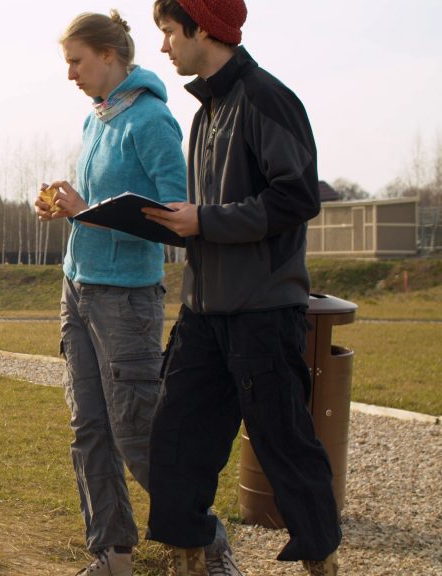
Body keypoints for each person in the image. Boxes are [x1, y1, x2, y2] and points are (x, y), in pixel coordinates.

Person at [142, 1, 342, 575]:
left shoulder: (266, 98)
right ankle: (190, 561)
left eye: (169, 32)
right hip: (202, 314)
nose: (164, 47)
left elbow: (298, 198)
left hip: (263, 312)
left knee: (285, 447)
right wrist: (174, 222)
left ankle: (322, 563)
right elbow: (213, 213)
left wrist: (205, 221)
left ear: (203, 27)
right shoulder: (206, 115)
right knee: (177, 443)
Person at [34, 10, 228, 576]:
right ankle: (113, 557)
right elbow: (93, 210)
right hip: (78, 289)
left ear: (110, 57)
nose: (70, 73)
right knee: (88, 428)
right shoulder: (96, 119)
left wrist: (88, 215)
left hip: (126, 302)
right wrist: (66, 207)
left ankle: (210, 543)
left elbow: (175, 214)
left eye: (77, 61)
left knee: (137, 434)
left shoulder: (152, 120)